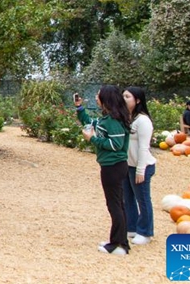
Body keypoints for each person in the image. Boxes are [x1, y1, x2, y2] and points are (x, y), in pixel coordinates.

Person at [75, 85, 132, 255]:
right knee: (117, 204)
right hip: (111, 167)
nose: (96, 97)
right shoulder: (108, 119)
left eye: (98, 95)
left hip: (113, 167)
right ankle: (120, 241)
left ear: (106, 99)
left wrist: (93, 139)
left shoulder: (113, 121)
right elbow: (89, 122)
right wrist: (79, 107)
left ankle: (118, 245)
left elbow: (116, 145)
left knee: (115, 205)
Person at [122, 87, 156, 245]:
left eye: (127, 96)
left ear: (138, 100)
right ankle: (132, 226)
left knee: (143, 199)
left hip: (141, 166)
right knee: (127, 198)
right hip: (128, 165)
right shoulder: (128, 118)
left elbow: (144, 147)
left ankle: (145, 231)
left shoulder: (143, 121)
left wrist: (141, 170)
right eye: (123, 96)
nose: (124, 98)